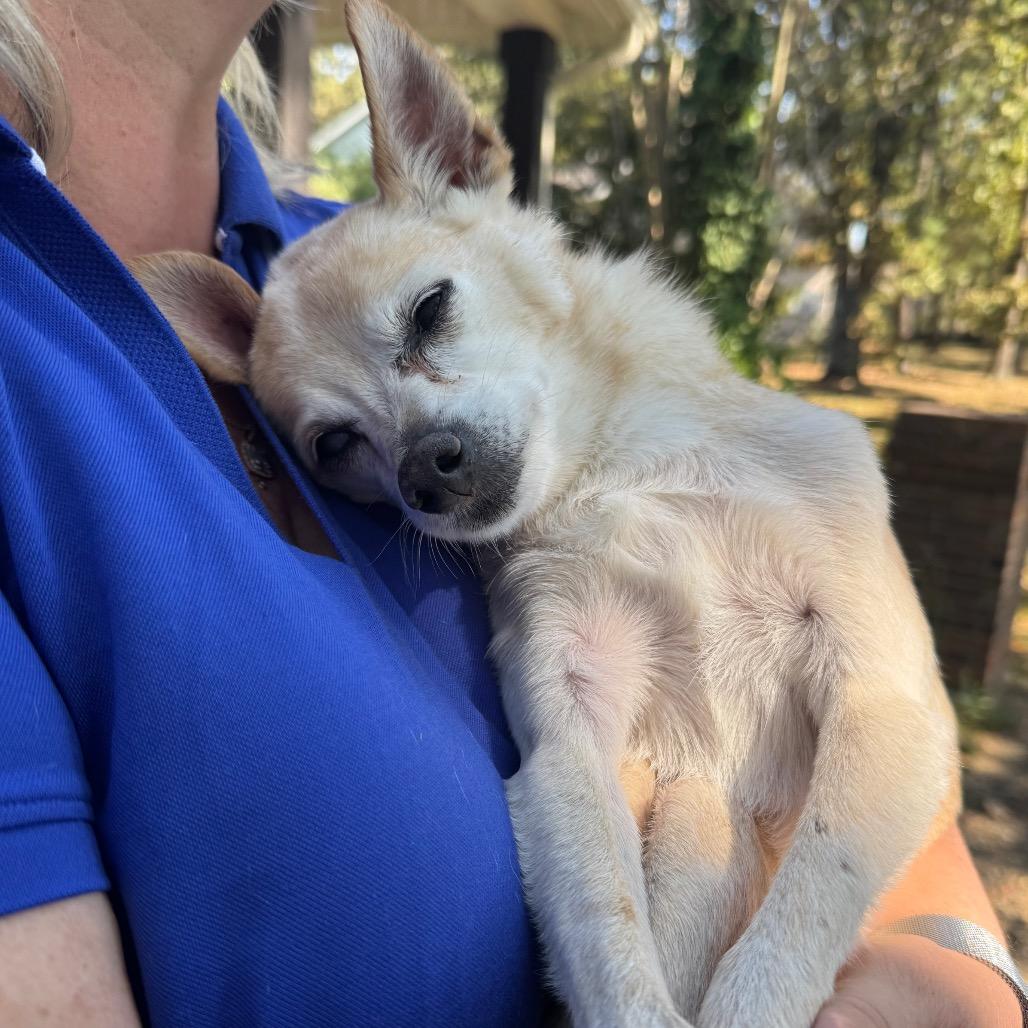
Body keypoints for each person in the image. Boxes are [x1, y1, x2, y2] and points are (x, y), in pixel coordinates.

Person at [0, 2, 1022, 1026]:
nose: (420, 459)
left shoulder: (353, 247)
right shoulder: (179, 347)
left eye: (432, 317)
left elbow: (909, 786)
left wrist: (966, 967)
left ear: (459, 154)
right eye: (340, 446)